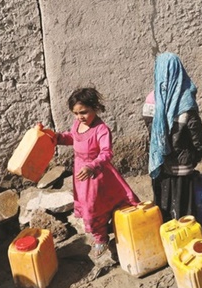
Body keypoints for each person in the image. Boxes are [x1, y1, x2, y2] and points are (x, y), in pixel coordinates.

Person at [55, 88, 140, 259]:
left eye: (84, 112)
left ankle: (112, 233)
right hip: (81, 174)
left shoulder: (101, 129)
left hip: (98, 174)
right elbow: (73, 138)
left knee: (98, 206)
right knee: (90, 207)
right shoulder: (78, 124)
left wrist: (92, 166)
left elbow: (106, 153)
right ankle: (100, 236)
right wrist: (57, 138)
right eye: (76, 113)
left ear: (95, 107)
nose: (80, 117)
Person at [149, 52, 202, 222]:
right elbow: (197, 137)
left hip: (160, 161)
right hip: (182, 163)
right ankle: (183, 237)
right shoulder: (186, 101)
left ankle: (166, 231)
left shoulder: (151, 100)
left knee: (163, 201)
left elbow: (152, 132)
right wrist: (197, 154)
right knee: (183, 204)